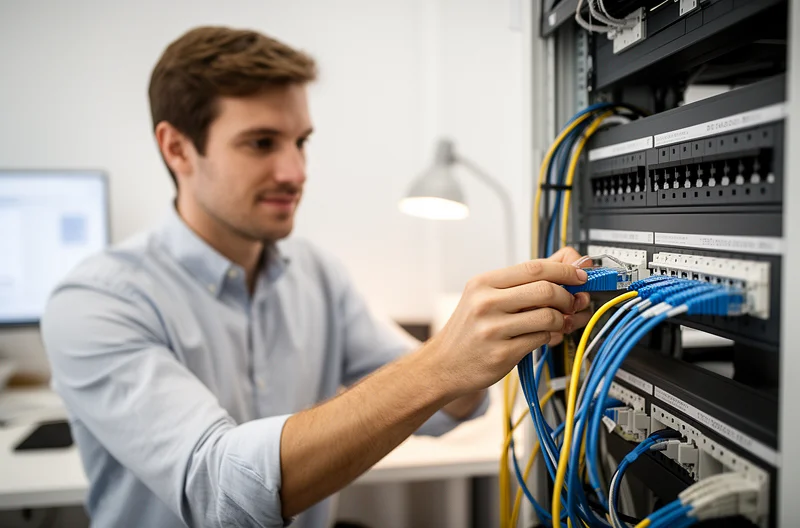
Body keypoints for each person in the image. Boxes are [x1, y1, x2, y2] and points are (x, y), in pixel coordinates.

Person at [41, 26, 592, 528]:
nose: (295, 173)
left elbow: (442, 409)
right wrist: (442, 361)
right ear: (177, 148)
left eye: (300, 142)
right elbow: (219, 493)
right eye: (261, 143)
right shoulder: (96, 301)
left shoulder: (314, 275)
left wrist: (502, 333)